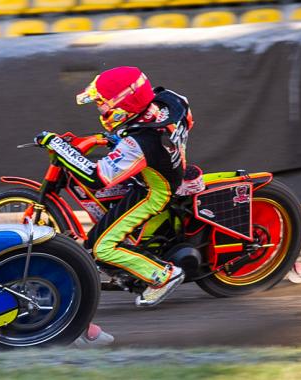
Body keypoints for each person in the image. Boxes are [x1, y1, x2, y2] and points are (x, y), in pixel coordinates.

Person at [36, 66, 192, 307]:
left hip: (154, 192)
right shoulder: (170, 101)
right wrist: (117, 139)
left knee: (101, 247)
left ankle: (163, 275)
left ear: (123, 106)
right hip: (167, 164)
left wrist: (59, 146)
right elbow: (188, 121)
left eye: (102, 103)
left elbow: (96, 178)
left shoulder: (139, 143)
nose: (100, 108)